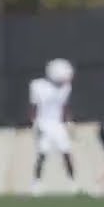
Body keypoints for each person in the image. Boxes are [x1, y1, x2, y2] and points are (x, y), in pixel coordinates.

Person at [29, 58, 78, 195]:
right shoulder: (37, 86)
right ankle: (36, 183)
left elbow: (64, 106)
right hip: (43, 123)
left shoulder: (66, 87)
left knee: (66, 152)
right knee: (42, 153)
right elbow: (34, 107)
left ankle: (72, 182)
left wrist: (69, 122)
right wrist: (34, 124)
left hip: (57, 124)